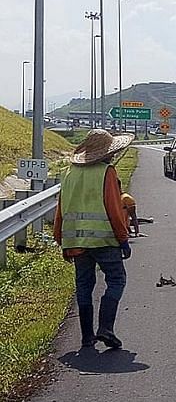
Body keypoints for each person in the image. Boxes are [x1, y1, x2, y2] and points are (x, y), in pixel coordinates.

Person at [53, 129, 134, 349]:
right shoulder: (106, 172)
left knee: (84, 285)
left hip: (76, 242)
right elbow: (114, 209)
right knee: (116, 280)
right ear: (109, 152)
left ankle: (87, 336)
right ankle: (106, 328)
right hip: (104, 240)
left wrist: (61, 239)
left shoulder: (69, 173)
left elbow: (61, 210)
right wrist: (123, 238)